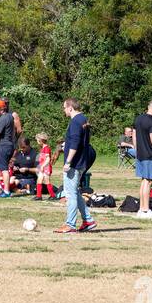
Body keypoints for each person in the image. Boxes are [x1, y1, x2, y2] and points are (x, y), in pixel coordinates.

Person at [56, 98, 96, 234]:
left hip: (74, 163)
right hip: (82, 162)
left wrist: (68, 162)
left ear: (70, 108)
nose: (64, 110)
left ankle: (70, 224)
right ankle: (88, 220)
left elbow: (75, 143)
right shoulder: (83, 119)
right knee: (75, 192)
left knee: (70, 193)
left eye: (64, 108)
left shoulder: (75, 121)